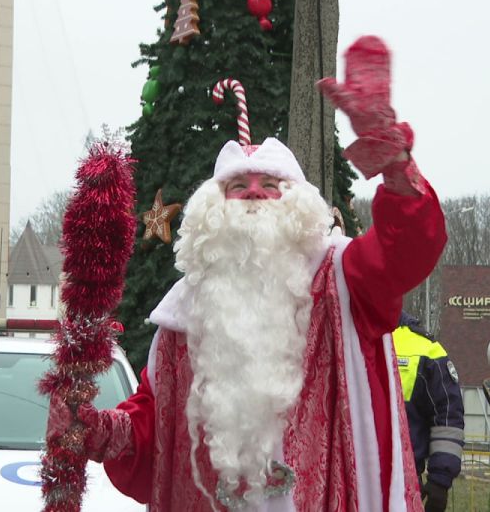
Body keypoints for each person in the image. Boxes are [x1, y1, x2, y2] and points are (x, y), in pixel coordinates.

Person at [49, 36, 447, 511]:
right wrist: (94, 430)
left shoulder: (340, 276)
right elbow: (155, 428)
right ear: (213, 208)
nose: (254, 193)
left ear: (299, 202)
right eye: (238, 185)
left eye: (271, 184)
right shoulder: (186, 310)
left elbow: (409, 248)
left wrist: (393, 159)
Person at [392, 312, 465, 512]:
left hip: (401, 486)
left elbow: (448, 416)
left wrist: (440, 480)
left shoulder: (425, 350)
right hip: (339, 481)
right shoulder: (335, 335)